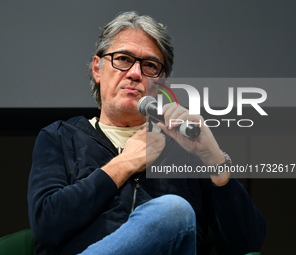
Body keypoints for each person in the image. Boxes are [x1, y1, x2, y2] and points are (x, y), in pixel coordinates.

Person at [27, 11, 265, 255]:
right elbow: (46, 225)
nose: (135, 73)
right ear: (97, 69)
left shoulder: (185, 148)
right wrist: (125, 163)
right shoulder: (60, 137)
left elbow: (247, 243)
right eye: (122, 59)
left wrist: (213, 159)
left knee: (173, 212)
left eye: (150, 66)